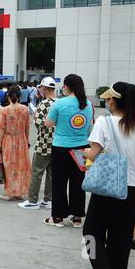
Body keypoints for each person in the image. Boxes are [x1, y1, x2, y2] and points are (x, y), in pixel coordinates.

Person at [83, 82, 135, 269]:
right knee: (121, 240)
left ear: (114, 102)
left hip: (107, 189)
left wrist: (84, 152)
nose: (107, 102)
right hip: (131, 190)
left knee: (90, 234)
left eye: (108, 99)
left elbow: (92, 154)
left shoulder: (104, 122)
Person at [43, 74, 93, 228]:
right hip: (82, 148)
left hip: (61, 148)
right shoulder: (88, 104)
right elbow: (90, 126)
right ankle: (77, 217)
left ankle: (57, 217)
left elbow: (48, 124)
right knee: (78, 183)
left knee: (59, 182)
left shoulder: (59, 103)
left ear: (67, 86)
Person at [19, 77, 56, 209]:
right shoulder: (59, 102)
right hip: (56, 143)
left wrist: (35, 116)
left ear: (44, 88)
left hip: (43, 143)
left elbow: (40, 124)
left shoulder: (44, 104)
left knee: (36, 172)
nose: (40, 90)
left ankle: (33, 200)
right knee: (51, 174)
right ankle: (48, 200)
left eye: (41, 88)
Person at [0, 86, 31, 200]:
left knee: (9, 166)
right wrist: (26, 140)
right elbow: (27, 127)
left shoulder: (5, 110)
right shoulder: (25, 109)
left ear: (8, 96)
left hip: (8, 140)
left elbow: (1, 128)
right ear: (20, 96)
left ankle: (9, 192)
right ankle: (19, 192)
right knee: (21, 166)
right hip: (21, 139)